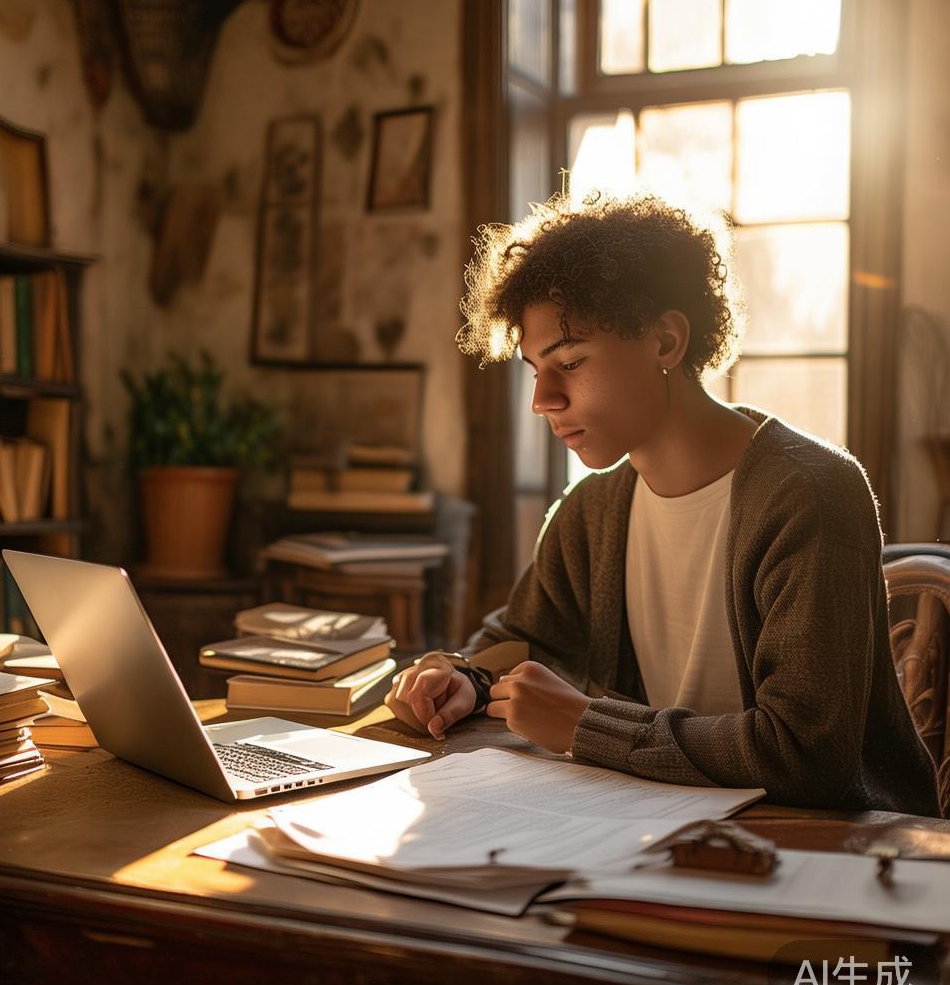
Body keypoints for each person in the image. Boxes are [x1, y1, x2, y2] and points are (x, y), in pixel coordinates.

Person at [385, 191, 941, 816]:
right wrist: (459, 675)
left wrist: (587, 725)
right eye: (535, 370)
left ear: (667, 342)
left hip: (839, 849)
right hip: (662, 829)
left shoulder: (809, 494)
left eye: (570, 361)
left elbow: (804, 755)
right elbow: (522, 639)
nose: (543, 400)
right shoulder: (593, 510)